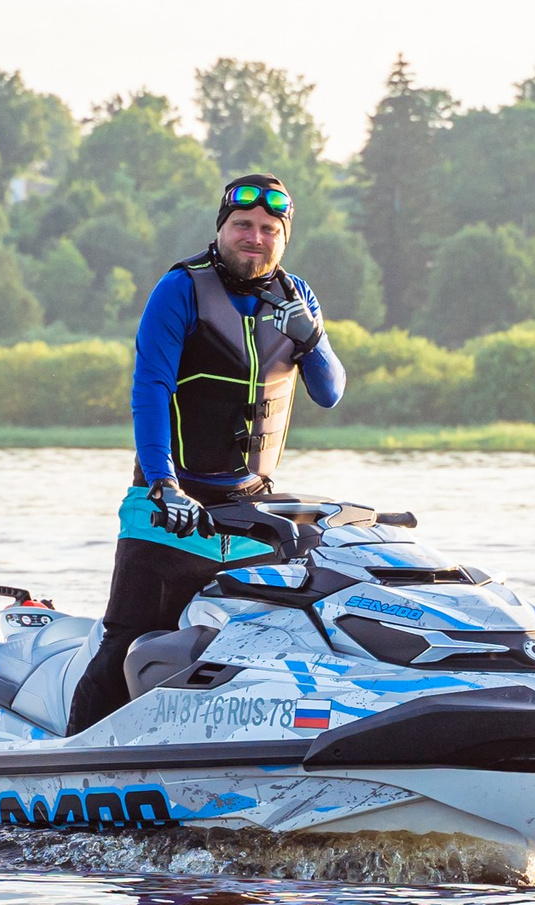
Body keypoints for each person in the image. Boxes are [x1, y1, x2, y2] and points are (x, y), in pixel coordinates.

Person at [66, 175, 347, 734]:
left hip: (251, 513)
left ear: (283, 238)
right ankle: (70, 761)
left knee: (253, 650)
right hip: (170, 505)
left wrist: (312, 339)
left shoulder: (298, 296)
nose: (255, 237)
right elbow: (150, 389)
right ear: (221, 228)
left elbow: (330, 392)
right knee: (128, 641)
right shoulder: (180, 289)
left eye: (268, 229)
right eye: (242, 225)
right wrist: (163, 483)